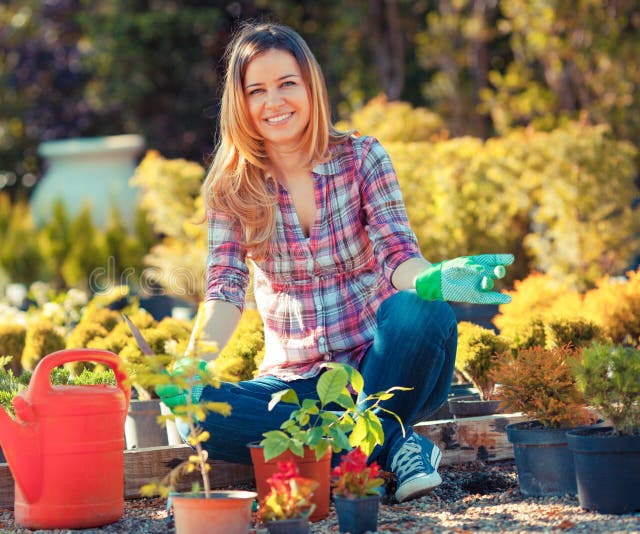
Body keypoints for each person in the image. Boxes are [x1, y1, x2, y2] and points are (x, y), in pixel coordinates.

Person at [156, 21, 513, 503]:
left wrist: (436, 279)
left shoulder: (363, 158)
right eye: (256, 90)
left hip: (385, 367)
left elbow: (397, 256)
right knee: (196, 412)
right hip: (297, 386)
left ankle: (347, 449)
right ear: (240, 103)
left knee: (420, 309)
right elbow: (224, 290)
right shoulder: (231, 187)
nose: (273, 102)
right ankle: (392, 447)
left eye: (287, 84)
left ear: (311, 86)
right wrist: (189, 366)